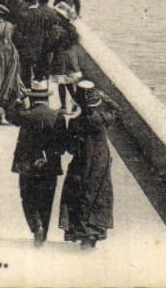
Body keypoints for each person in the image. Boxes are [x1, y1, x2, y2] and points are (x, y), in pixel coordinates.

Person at [59, 81, 116, 249]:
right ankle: (95, 230)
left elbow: (70, 148)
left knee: (78, 193)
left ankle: (82, 230)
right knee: (99, 193)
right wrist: (104, 96)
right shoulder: (102, 119)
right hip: (101, 161)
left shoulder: (76, 123)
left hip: (82, 161)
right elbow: (116, 109)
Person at [10, 81, 67, 246]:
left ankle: (37, 227)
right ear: (46, 99)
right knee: (47, 201)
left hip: (27, 166)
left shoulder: (25, 115)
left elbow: (10, 114)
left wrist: (20, 99)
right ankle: (44, 235)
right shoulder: (57, 116)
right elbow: (62, 146)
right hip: (50, 166)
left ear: (32, 98)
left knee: (28, 198)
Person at [49, 1, 83, 114]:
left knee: (61, 84)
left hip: (61, 59)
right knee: (69, 84)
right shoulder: (72, 30)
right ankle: (76, 104)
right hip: (70, 60)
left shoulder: (59, 30)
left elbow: (53, 43)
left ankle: (64, 106)